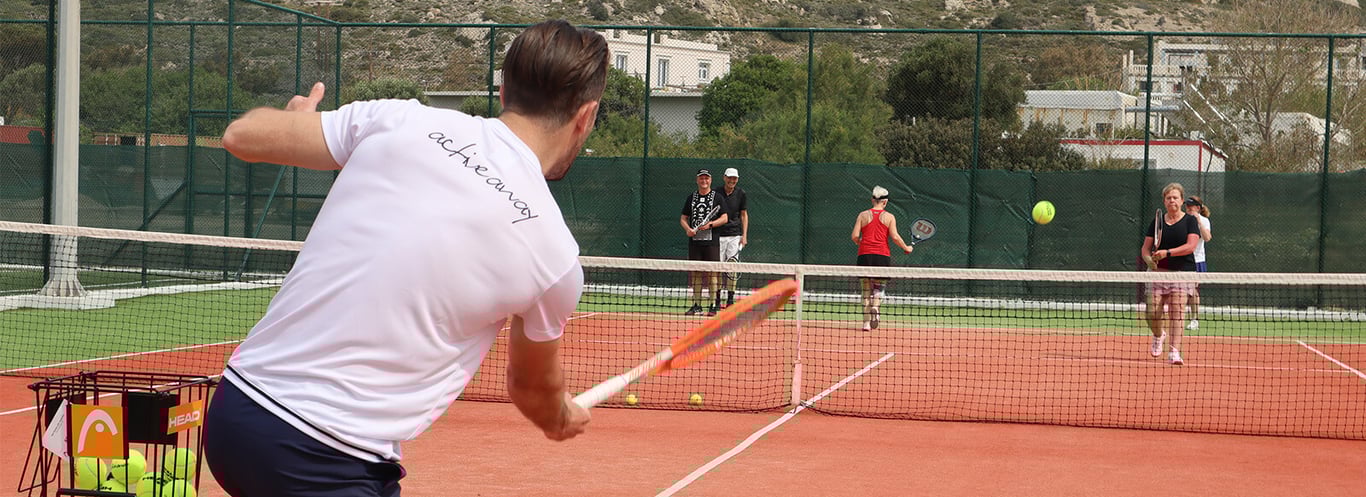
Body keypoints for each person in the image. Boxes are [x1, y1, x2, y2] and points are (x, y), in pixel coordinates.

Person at [202, 20, 608, 497]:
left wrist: (294, 117)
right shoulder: (555, 256)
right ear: (586, 115)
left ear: (502, 90)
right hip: (327, 458)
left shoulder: (400, 118)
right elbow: (530, 389)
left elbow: (240, 135)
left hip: (235, 416)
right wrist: (560, 416)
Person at [1141, 183, 1201, 366]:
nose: (1172, 200)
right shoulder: (1157, 222)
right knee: (1152, 312)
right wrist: (1149, 261)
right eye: (1168, 198)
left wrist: (1167, 253)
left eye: (1175, 197)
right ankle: (1159, 335)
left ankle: (1174, 352)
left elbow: (1191, 246)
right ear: (1164, 201)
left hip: (1183, 273)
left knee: (1177, 311)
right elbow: (1145, 249)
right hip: (1158, 273)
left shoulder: (1190, 221)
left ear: (1182, 201)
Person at [850, 186, 914, 331]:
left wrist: (863, 242)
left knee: (865, 290)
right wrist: (907, 248)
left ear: (872, 200)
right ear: (885, 202)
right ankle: (876, 307)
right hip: (882, 256)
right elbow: (895, 237)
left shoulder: (862, 215)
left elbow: (854, 236)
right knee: (879, 287)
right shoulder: (889, 217)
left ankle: (866, 323)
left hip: (864, 255)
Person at [679, 168, 728, 316]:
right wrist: (688, 229)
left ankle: (713, 305)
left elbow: (725, 218)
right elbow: (683, 218)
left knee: (713, 274)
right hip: (695, 243)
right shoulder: (691, 198)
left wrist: (710, 225)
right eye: (701, 178)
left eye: (706, 178)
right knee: (696, 274)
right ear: (697, 180)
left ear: (710, 180)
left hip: (712, 242)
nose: (704, 181)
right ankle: (697, 305)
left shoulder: (718, 198)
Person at [716, 167, 749, 308]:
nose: (732, 180)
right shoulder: (716, 193)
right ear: (724, 177)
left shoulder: (741, 194)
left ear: (737, 179)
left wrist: (744, 236)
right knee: (717, 269)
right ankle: (716, 300)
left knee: (732, 268)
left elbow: (744, 215)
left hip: (735, 236)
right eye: (729, 178)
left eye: (734, 178)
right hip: (717, 236)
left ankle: (730, 300)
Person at [1184, 196, 1212, 330]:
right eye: (1187, 206)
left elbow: (1207, 238)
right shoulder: (1181, 219)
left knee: (1192, 290)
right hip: (1181, 260)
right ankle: (1178, 317)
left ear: (1198, 208)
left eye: (1191, 206)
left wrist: (1198, 221)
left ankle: (1194, 319)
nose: (1188, 208)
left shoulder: (1205, 221)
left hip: (1197, 261)